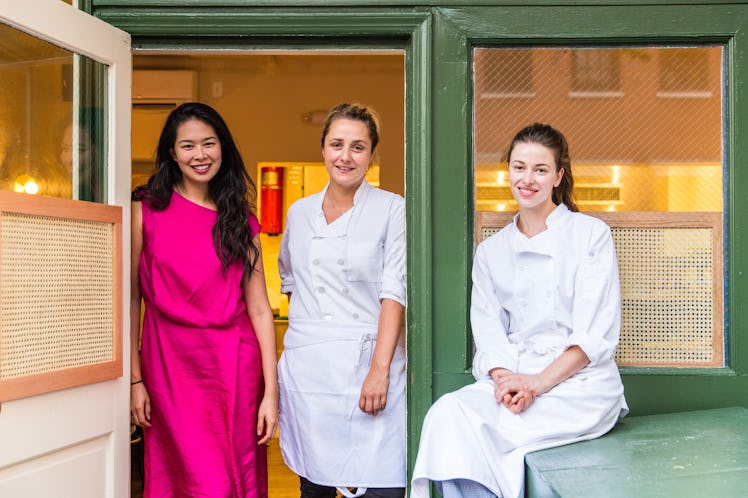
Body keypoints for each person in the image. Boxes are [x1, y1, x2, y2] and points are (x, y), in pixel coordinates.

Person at [411, 123, 628, 498]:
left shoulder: (591, 234)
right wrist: (506, 380)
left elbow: (595, 335)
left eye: (540, 170)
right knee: (447, 416)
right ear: (508, 171)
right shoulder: (491, 252)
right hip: (512, 382)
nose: (528, 179)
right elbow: (489, 332)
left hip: (578, 389)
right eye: (519, 167)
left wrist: (536, 383)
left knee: (483, 435)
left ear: (558, 176)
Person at [130, 102, 279, 498]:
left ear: (223, 148)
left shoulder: (240, 219)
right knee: (187, 478)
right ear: (171, 153)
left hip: (234, 367)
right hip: (168, 367)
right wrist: (134, 379)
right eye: (188, 146)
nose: (200, 155)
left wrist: (271, 391)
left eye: (209, 144)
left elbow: (260, 309)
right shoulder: (144, 210)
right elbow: (128, 301)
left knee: (231, 478)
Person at [277, 103, 407, 498]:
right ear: (323, 148)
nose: (345, 156)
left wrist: (379, 369)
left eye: (357, 147)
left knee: (382, 486)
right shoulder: (298, 213)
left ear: (372, 154)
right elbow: (291, 281)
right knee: (314, 487)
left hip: (371, 365)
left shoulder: (392, 208)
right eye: (337, 144)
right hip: (310, 373)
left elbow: (394, 290)